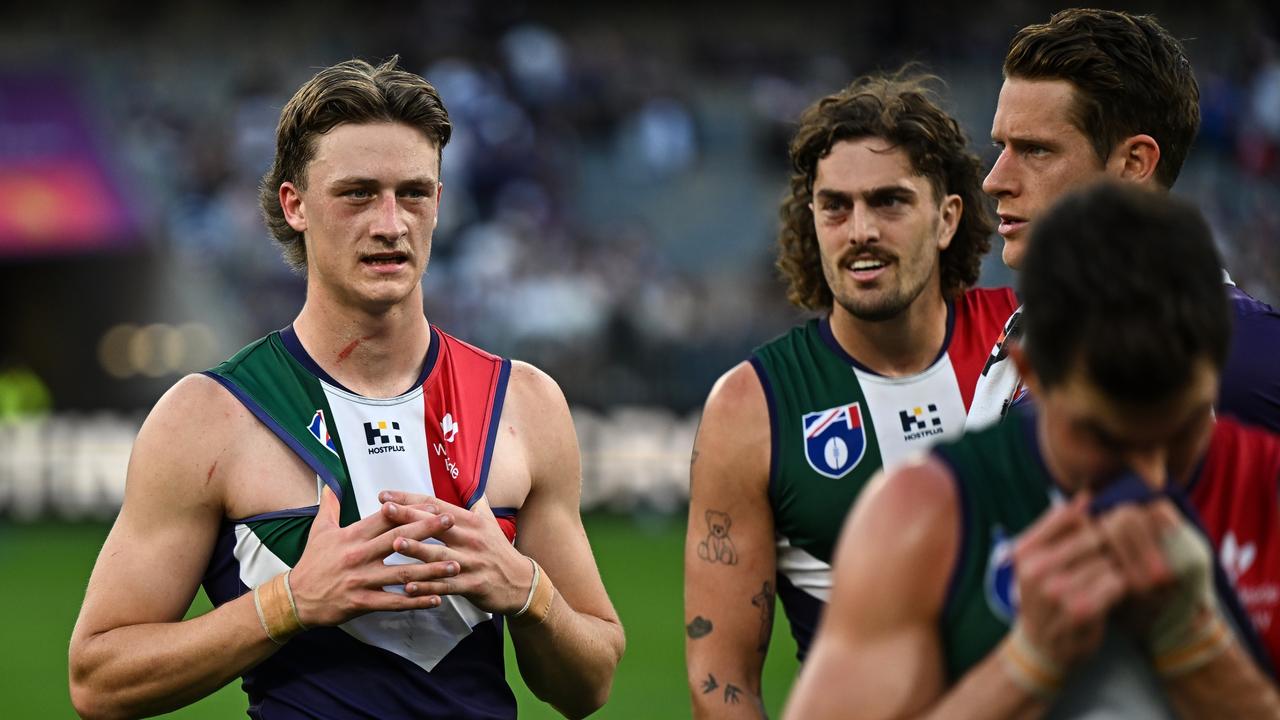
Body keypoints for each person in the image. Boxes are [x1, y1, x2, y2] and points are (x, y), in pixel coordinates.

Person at [68, 58, 624, 720]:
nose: (390, 223)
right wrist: (289, 603)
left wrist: (527, 591)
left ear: (440, 204)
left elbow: (589, 685)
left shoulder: (523, 404)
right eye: (358, 193)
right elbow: (98, 678)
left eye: (414, 193)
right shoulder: (209, 418)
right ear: (294, 204)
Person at [785, 182, 1280, 719]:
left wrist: (1196, 643)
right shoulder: (924, 515)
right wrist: (1027, 664)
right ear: (1029, 376)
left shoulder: (1268, 485)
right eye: (1102, 438)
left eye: (1180, 432)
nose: (1146, 474)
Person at [683, 70, 1016, 716]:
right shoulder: (750, 408)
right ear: (813, 220)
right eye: (836, 205)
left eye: (889, 201)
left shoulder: (1031, 342)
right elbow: (720, 683)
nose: (859, 228)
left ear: (947, 218)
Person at [970, 7, 1280, 433]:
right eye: (1001, 147)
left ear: (1134, 163)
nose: (994, 181)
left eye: (1035, 150)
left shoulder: (1243, 357)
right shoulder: (1025, 338)